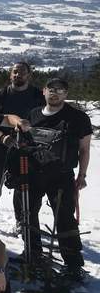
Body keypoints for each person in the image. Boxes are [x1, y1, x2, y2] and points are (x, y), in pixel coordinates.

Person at [22, 77, 92, 280]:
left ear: (66, 94)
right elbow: (24, 144)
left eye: (60, 90)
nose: (55, 93)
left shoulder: (77, 118)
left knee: (65, 218)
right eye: (51, 89)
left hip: (61, 176)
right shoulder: (33, 114)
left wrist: (82, 175)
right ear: (44, 91)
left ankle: (72, 264)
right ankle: (33, 254)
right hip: (33, 174)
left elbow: (85, 149)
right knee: (27, 213)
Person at [0, 62, 45, 227]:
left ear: (28, 75)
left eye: (22, 72)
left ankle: (22, 220)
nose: (18, 75)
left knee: (23, 185)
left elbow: (42, 120)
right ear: (11, 74)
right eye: (15, 72)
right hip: (2, 144)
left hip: (27, 146)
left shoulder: (37, 96)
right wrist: (3, 137)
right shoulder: (1, 95)